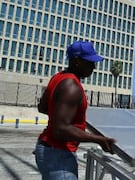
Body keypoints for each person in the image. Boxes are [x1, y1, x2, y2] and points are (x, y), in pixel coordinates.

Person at [34, 41, 116, 180]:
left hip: (48, 150)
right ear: (77, 61)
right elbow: (60, 130)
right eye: (90, 62)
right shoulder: (72, 87)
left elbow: (42, 107)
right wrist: (99, 139)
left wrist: (62, 116)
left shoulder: (58, 77)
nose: (94, 67)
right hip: (59, 156)